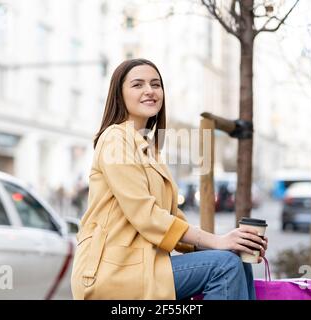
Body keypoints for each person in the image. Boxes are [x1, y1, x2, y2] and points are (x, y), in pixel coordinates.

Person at [70, 58, 268, 300]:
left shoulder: (148, 148)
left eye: (156, 84)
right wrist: (217, 241)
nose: (150, 91)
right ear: (119, 94)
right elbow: (147, 216)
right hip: (112, 271)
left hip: (145, 266)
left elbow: (172, 218)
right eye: (138, 85)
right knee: (224, 265)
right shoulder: (115, 139)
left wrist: (233, 240)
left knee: (236, 258)